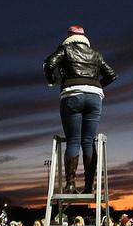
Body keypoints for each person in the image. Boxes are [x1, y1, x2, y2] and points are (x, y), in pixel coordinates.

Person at [44, 25, 117, 194]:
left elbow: (48, 64)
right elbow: (112, 75)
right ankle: (89, 187)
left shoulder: (65, 50)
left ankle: (70, 185)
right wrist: (96, 85)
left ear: (68, 37)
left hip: (72, 96)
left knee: (73, 141)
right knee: (89, 141)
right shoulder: (95, 54)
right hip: (94, 98)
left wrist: (52, 80)